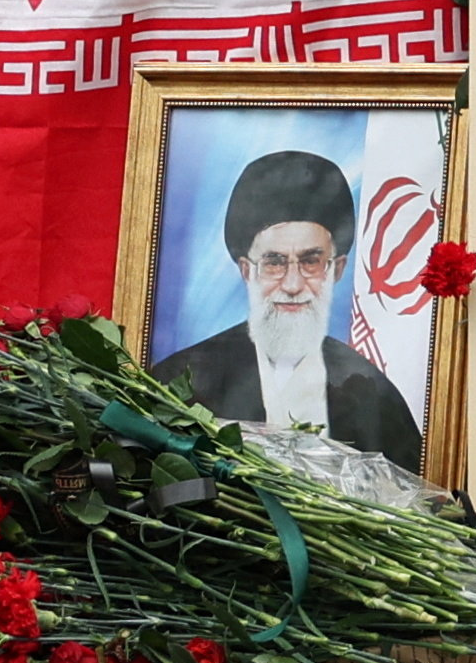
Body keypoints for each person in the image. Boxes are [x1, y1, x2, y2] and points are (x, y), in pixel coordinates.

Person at [150, 141, 426, 473]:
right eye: (274, 263)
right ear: (246, 270)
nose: (293, 285)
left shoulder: (371, 393)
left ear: (336, 269)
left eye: (311, 261)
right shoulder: (182, 379)